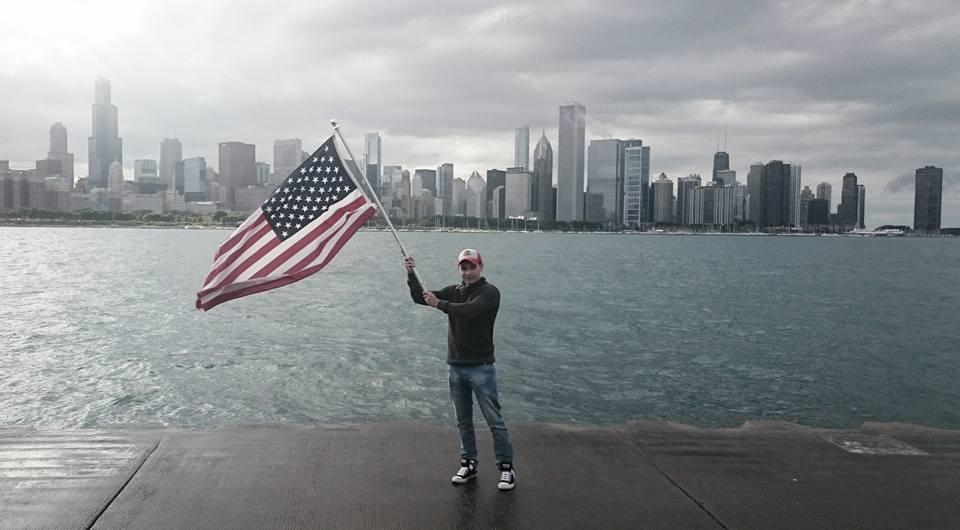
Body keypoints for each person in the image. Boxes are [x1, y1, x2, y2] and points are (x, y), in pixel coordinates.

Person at [404, 248, 515, 491]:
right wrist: (412, 274)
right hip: (456, 367)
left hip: (482, 368)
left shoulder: (490, 292)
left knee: (494, 420)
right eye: (464, 267)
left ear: (480, 267)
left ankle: (506, 468)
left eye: (472, 266)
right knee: (463, 421)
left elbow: (471, 311)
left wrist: (440, 304)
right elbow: (421, 297)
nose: (468, 271)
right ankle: (469, 463)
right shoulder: (454, 291)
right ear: (460, 269)